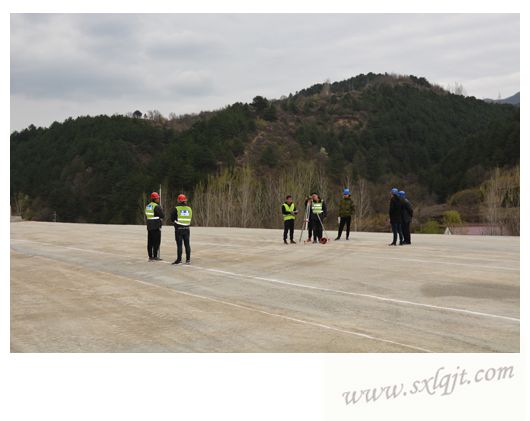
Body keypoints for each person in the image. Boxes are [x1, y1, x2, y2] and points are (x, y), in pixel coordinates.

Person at [171, 194, 192, 265]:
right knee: (187, 244)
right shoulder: (189, 209)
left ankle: (179, 260)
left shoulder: (176, 209)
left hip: (179, 229)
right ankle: (188, 260)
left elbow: (172, 218)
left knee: (179, 245)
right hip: (187, 229)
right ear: (185, 200)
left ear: (178, 201)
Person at [145, 191, 164, 261]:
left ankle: (150, 257)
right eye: (158, 198)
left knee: (150, 242)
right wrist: (161, 209)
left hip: (149, 225)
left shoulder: (148, 206)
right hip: (155, 225)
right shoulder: (156, 206)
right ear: (155, 199)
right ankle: (155, 256)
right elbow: (162, 215)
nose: (158, 199)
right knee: (156, 242)